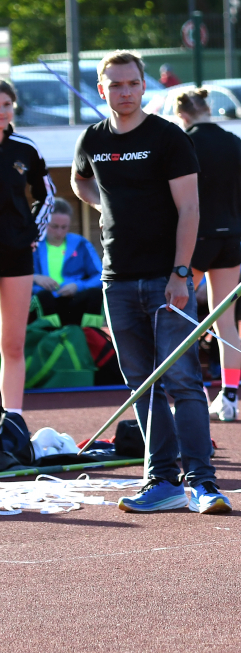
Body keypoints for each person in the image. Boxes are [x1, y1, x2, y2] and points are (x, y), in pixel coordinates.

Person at [71, 50, 231, 515]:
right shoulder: (93, 139)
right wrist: (105, 206)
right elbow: (80, 181)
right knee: (142, 385)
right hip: (117, 280)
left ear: (144, 88)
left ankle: (201, 482)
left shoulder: (168, 138)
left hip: (167, 280)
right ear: (102, 90)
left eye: (131, 84)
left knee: (182, 381)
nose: (124, 92)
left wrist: (181, 274)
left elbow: (190, 210)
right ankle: (160, 481)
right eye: (115, 85)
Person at [174, 87, 241, 422]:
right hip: (231, 235)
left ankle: (194, 394)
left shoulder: (185, 141)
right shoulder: (232, 140)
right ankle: (229, 397)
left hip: (198, 237)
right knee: (226, 320)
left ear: (183, 114)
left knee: (180, 318)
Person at [0, 79, 55, 421]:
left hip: (17, 254)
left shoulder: (25, 148)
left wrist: (34, 231)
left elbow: (46, 194)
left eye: (6, 105)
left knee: (14, 343)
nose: (1, 111)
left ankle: (13, 421)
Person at [32, 198, 104, 327]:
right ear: (44, 222)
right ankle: (48, 338)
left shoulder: (80, 243)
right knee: (43, 297)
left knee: (95, 295)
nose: (59, 232)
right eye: (54, 226)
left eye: (64, 227)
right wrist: (36, 278)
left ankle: (93, 337)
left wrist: (78, 286)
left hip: (73, 299)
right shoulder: (33, 245)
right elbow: (15, 278)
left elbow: (100, 276)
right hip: (43, 300)